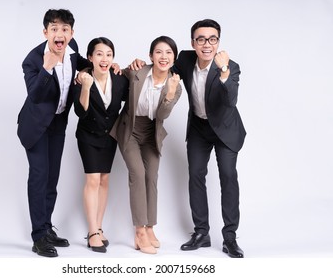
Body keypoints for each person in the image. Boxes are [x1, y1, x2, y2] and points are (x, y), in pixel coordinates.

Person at [17, 9, 92, 257]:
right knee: (39, 178)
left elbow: (83, 63)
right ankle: (38, 236)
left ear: (71, 33)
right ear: (45, 32)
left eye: (65, 29)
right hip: (36, 127)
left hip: (58, 125)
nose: (60, 34)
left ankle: (47, 227)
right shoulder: (33, 60)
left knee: (52, 179)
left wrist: (99, 67)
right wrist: (46, 69)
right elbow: (35, 97)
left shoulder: (72, 50)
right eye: (54, 29)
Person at [173, 19, 246, 258]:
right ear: (193, 42)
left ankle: (230, 238)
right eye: (201, 39)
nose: (207, 44)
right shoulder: (184, 60)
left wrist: (224, 70)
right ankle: (201, 233)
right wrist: (139, 65)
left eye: (212, 39)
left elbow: (231, 100)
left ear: (218, 42)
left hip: (225, 130)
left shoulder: (230, 67)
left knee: (227, 177)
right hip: (198, 128)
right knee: (195, 175)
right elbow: (161, 65)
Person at [110, 36, 182, 254]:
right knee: (138, 174)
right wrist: (114, 65)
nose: (163, 57)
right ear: (151, 55)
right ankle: (139, 231)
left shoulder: (175, 85)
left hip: (152, 133)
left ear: (174, 58)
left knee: (152, 177)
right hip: (130, 129)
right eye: (159, 52)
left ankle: (150, 227)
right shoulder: (137, 72)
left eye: (169, 53)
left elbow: (162, 114)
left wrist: (169, 92)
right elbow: (115, 75)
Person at [73, 37, 129, 253]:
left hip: (109, 137)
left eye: (108, 54)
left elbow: (132, 93)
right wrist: (86, 87)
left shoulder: (119, 79)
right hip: (88, 136)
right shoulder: (81, 80)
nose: (104, 59)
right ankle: (92, 232)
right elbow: (81, 112)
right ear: (90, 57)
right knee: (93, 179)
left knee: (104, 180)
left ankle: (98, 227)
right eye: (99, 54)